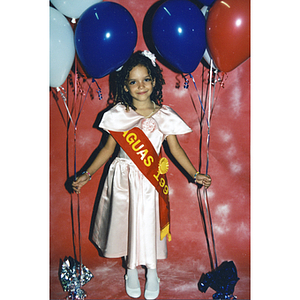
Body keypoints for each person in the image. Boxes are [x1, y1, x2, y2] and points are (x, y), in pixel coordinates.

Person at [72, 50, 211, 299]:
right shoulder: (117, 114)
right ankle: (131, 270)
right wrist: (87, 173)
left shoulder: (165, 115)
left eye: (146, 79)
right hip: (123, 178)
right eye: (133, 81)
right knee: (128, 222)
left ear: (155, 80)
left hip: (150, 181)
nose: (140, 86)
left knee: (149, 224)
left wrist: (194, 173)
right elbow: (106, 149)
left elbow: (175, 150)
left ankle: (153, 270)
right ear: (125, 85)